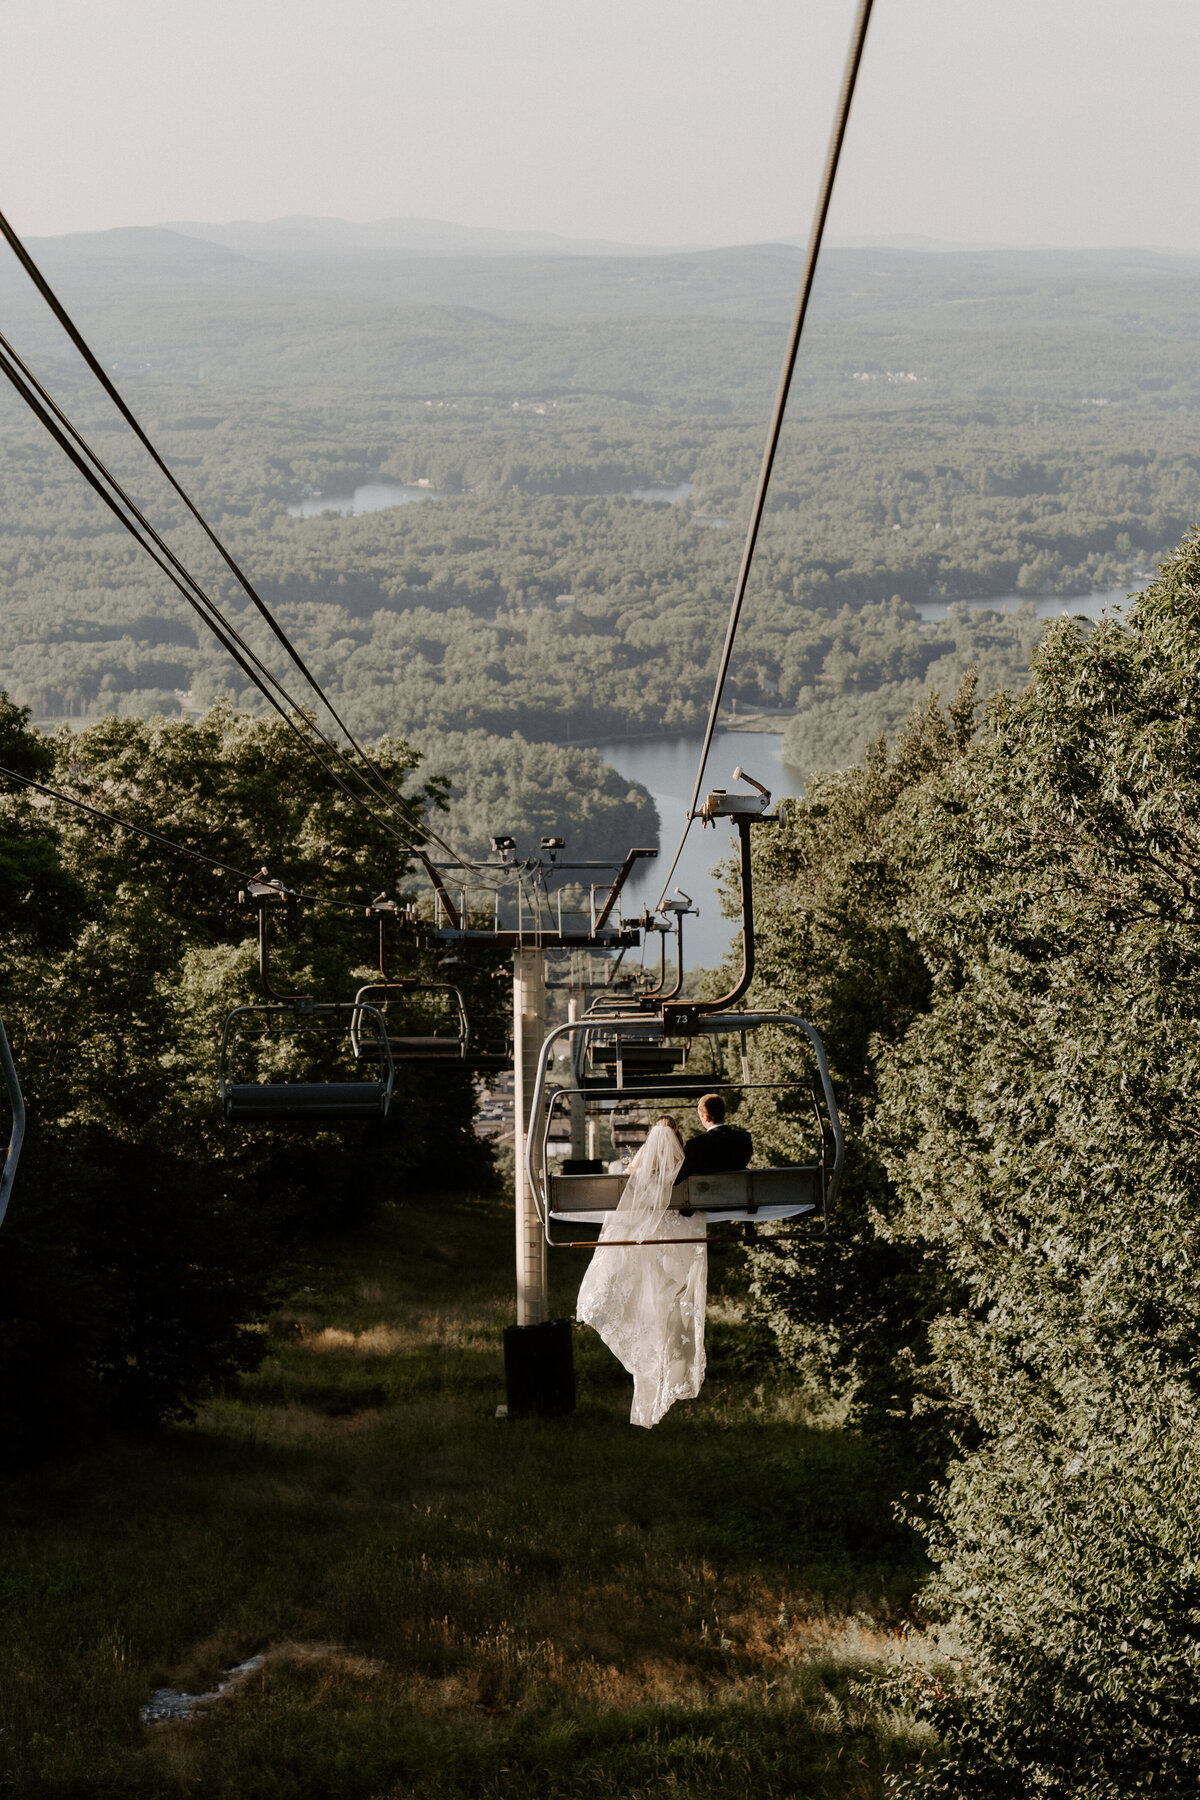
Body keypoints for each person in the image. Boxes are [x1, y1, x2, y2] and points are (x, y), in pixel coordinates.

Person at [575, 1115, 707, 1429]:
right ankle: (663, 1367)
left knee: (648, 1298)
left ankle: (651, 1370)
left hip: (649, 1235)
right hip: (672, 1237)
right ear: (675, 1133)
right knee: (667, 1299)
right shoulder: (683, 1157)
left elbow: (630, 1178)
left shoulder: (646, 1154)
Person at [673, 1092, 752, 1185]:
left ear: (706, 1117)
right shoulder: (743, 1139)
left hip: (705, 1196)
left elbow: (677, 1178)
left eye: (700, 1115)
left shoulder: (695, 1145)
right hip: (740, 1194)